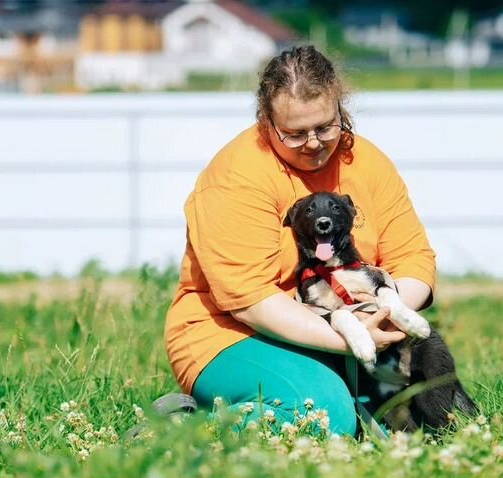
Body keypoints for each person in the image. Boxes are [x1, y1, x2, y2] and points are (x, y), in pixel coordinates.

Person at [164, 45, 436, 436]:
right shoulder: (237, 176)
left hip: (351, 324)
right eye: (294, 134)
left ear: (341, 108)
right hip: (230, 334)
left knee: (427, 408)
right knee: (326, 416)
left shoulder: (367, 162)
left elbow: (413, 259)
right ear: (265, 121)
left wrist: (378, 317)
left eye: (325, 127)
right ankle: (177, 431)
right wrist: (352, 336)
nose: (313, 143)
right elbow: (251, 302)